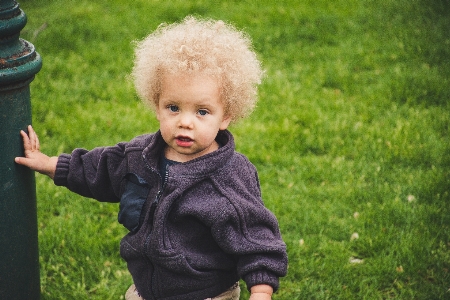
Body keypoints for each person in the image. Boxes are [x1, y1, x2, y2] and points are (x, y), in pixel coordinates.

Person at [15, 16, 287, 300]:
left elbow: (257, 239)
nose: (185, 122)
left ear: (226, 116)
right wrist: (48, 164)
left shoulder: (229, 177)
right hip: (145, 290)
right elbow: (99, 169)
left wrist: (261, 291)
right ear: (156, 105)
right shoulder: (139, 156)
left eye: (202, 112)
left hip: (206, 293)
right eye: (173, 107)